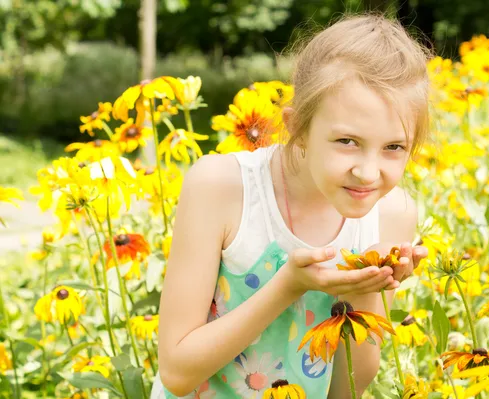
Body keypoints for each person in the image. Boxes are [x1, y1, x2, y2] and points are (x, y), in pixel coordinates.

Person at [152, 12, 431, 399]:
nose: (368, 173)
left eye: (394, 147)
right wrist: (287, 286)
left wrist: (370, 287)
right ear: (298, 126)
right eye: (347, 141)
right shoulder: (223, 187)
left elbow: (345, 390)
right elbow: (177, 373)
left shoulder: (391, 214)